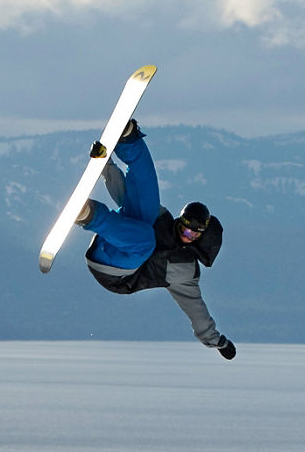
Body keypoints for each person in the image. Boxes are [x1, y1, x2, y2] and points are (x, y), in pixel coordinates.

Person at [75, 121, 235, 359]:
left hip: (117, 274)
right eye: (183, 227)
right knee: (149, 210)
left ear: (201, 240)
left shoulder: (185, 273)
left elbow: (196, 310)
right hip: (112, 243)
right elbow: (127, 197)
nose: (185, 234)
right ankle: (130, 142)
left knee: (147, 240)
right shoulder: (162, 219)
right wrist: (104, 165)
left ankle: (89, 214)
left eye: (192, 234)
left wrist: (217, 342)